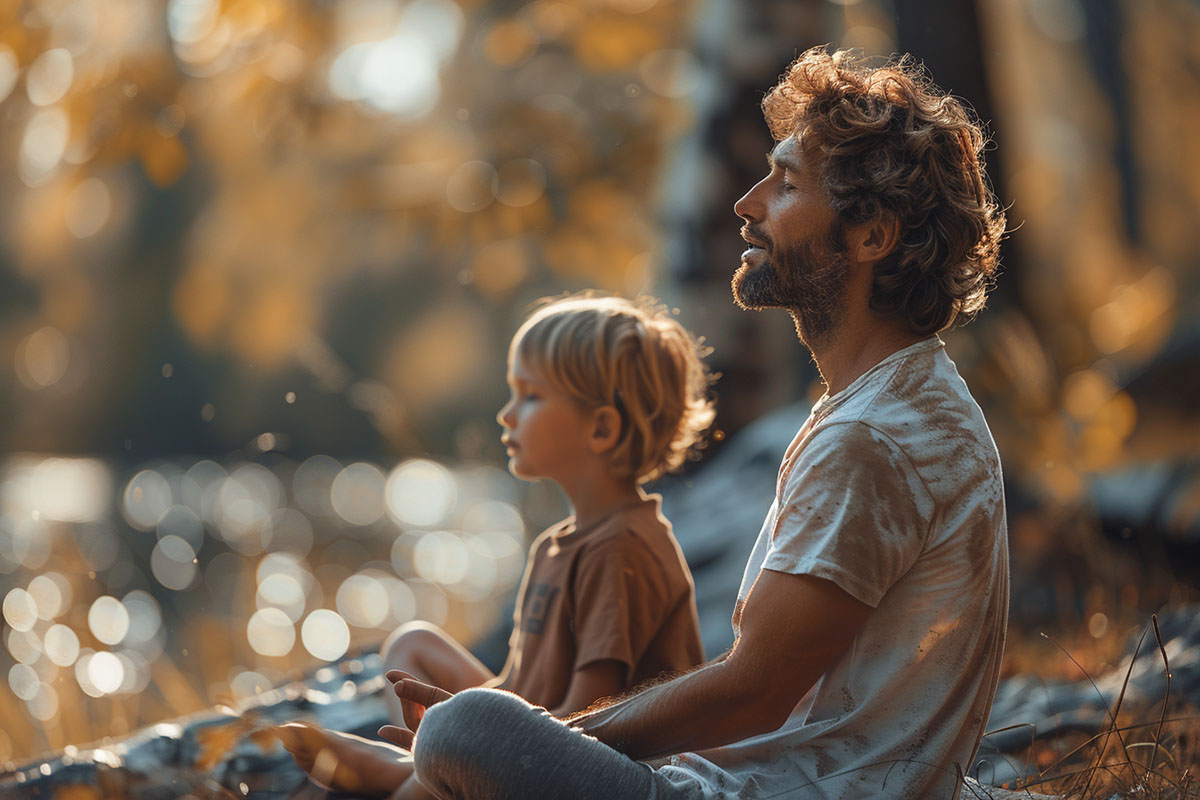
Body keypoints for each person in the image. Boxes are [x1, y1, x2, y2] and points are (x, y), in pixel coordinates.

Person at [380, 45, 1011, 800]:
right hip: (805, 778)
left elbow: (755, 690)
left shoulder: (871, 438)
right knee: (465, 727)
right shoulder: (909, 400)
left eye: (785, 184)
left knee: (465, 729)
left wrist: (555, 741)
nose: (747, 204)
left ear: (871, 236)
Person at [278, 294, 714, 798]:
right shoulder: (557, 546)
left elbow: (593, 712)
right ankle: (423, 765)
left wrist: (472, 741)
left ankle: (415, 776)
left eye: (530, 397)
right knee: (411, 645)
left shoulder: (622, 550)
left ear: (600, 427)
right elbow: (518, 686)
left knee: (431, 760)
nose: (507, 415)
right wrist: (463, 726)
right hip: (545, 727)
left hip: (610, 769)